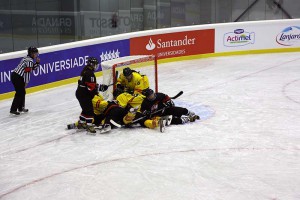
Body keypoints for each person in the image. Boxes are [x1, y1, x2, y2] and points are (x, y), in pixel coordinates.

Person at [10, 46, 40, 115]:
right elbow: (27, 73)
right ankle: (13, 109)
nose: (36, 55)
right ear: (31, 53)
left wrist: (37, 63)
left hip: (17, 76)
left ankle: (20, 108)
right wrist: (26, 83)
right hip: (17, 77)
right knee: (20, 92)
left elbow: (32, 68)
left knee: (22, 92)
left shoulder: (27, 58)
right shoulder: (29, 61)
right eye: (35, 53)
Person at [76, 57, 100, 134]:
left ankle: (81, 122)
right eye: (95, 64)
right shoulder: (90, 74)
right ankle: (89, 126)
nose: (96, 66)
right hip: (84, 94)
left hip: (80, 92)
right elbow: (90, 88)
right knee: (89, 110)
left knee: (85, 108)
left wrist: (96, 87)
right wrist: (96, 91)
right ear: (92, 64)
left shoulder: (85, 69)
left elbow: (87, 84)